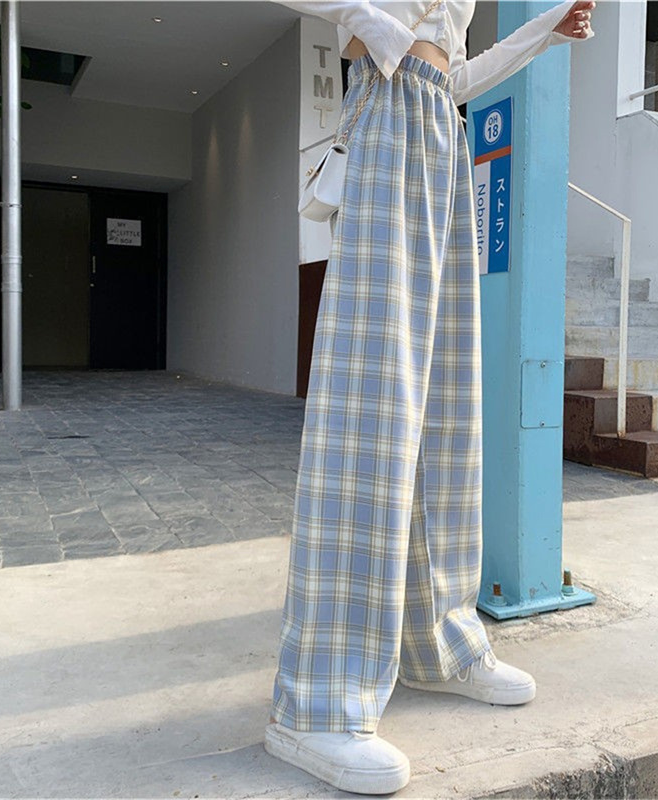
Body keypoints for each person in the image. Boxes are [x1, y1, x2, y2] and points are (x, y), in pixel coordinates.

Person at [265, 1, 595, 794]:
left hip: (443, 132)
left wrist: (540, 33)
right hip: (383, 118)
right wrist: (375, 26)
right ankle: (315, 704)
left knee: (447, 408)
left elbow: (459, 75)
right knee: (369, 409)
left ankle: (437, 643)